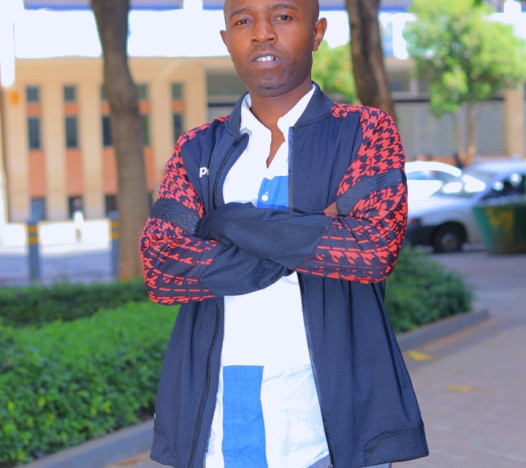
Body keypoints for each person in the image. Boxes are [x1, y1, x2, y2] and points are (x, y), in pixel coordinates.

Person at [139, 0, 429, 466]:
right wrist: (321, 227)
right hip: (217, 420)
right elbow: (162, 269)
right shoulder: (197, 148)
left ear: (317, 32)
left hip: (333, 421)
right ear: (227, 40)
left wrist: (225, 222)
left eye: (283, 16)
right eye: (243, 21)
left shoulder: (365, 132)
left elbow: (373, 250)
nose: (262, 33)